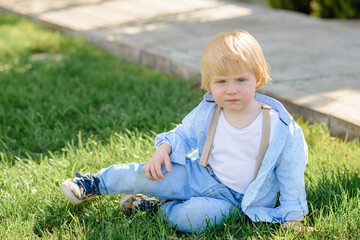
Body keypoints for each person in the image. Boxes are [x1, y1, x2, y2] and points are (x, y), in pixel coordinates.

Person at [61, 30, 309, 233]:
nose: (231, 89)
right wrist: (164, 149)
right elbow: (183, 134)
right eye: (221, 82)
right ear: (209, 83)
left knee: (192, 218)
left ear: (257, 78)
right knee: (144, 175)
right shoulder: (209, 111)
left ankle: (156, 207)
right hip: (199, 174)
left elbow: (290, 173)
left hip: (236, 200)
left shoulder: (279, 126)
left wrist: (293, 215)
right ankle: (93, 183)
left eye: (240, 80)